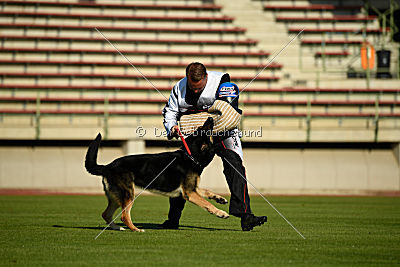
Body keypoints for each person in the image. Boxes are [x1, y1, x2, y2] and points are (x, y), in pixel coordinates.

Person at [161, 62, 267, 231]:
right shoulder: (179, 87)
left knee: (235, 166)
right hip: (195, 137)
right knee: (182, 174)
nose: (195, 91)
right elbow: (170, 111)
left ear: (206, 77)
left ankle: (246, 216)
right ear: (187, 77)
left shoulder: (223, 83)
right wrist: (172, 127)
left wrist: (198, 120)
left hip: (223, 132)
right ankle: (173, 220)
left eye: (199, 87)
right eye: (192, 87)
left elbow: (228, 114)